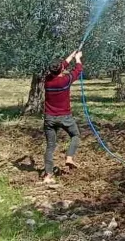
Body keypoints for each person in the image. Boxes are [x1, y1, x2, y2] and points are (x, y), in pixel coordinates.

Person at [42, 50, 84, 184]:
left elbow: (62, 66)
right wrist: (78, 58)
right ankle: (69, 157)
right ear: (61, 70)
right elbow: (78, 70)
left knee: (50, 146)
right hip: (64, 117)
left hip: (49, 118)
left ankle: (48, 175)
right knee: (75, 135)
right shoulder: (65, 81)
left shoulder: (47, 80)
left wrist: (71, 55)